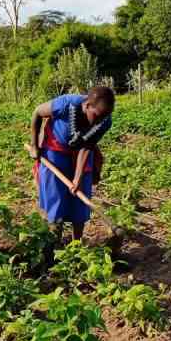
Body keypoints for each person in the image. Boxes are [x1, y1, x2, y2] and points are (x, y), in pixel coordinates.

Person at [29, 87, 115, 242]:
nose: (99, 121)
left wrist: (77, 177)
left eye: (103, 118)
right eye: (96, 116)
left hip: (81, 151)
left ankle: (76, 245)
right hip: (56, 148)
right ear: (87, 105)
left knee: (80, 200)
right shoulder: (66, 104)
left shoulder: (105, 121)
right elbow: (37, 112)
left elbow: (88, 146)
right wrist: (34, 146)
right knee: (55, 197)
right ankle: (54, 241)